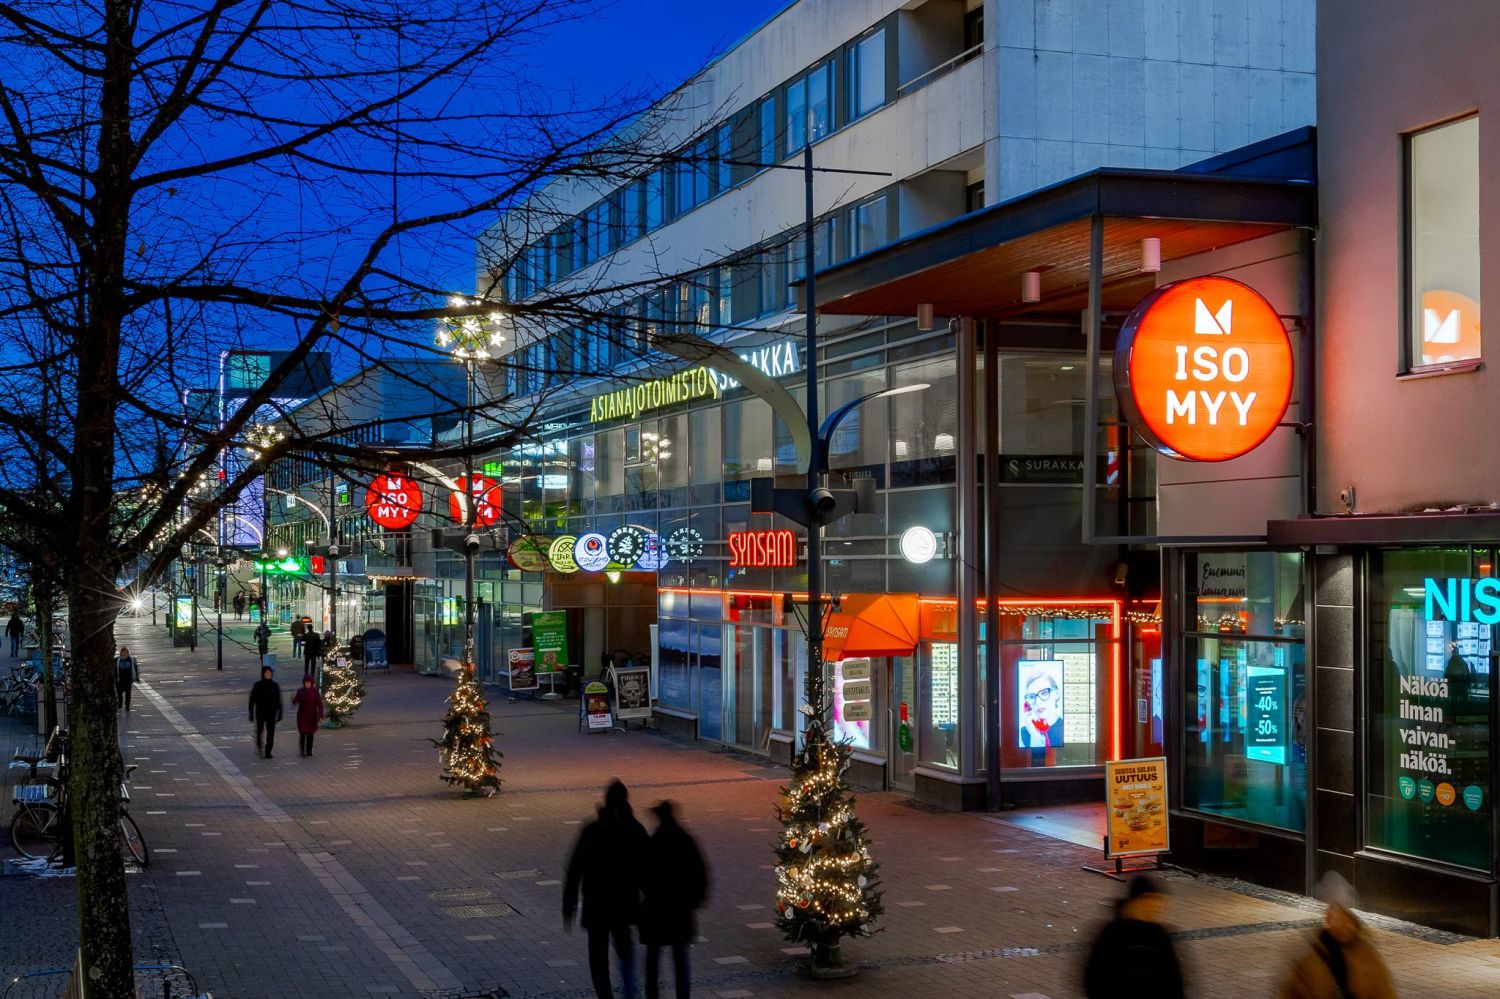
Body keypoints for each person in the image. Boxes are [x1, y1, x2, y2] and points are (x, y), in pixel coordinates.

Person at [564, 780, 650, 999]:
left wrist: (569, 904)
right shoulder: (634, 829)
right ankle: (630, 990)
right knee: (625, 948)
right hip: (623, 903)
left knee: (598, 956)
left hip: (597, 905)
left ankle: (605, 996)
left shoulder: (592, 830)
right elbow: (649, 869)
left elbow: (575, 869)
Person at [1279, 872, 1396, 999]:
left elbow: (1383, 990)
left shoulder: (1365, 954)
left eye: (1339, 911)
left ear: (1349, 916)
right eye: (1332, 909)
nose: (1334, 916)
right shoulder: (1312, 959)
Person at [641, 800, 708, 999]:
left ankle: (652, 994)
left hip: (657, 909)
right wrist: (695, 900)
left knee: (653, 958)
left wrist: (647, 897)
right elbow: (700, 873)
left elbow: (643, 875)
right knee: (680, 958)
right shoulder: (686, 840)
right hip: (681, 910)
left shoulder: (655, 842)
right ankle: (683, 995)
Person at [1082, 875, 1184, 999]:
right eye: (1153, 899)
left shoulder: (1159, 934)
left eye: (1159, 900)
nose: (1159, 906)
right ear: (1138, 900)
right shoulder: (1113, 934)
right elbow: (1094, 978)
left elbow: (1174, 981)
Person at [248, 666, 283, 759]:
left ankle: (268, 751)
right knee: (259, 731)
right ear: (263, 674)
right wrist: (251, 713)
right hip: (260, 713)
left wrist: (280, 712)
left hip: (271, 713)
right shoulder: (257, 685)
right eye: (266, 673)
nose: (268, 674)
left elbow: (279, 700)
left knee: (271, 733)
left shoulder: (274, 685)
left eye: (269, 673)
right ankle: (259, 745)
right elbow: (252, 701)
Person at [292, 674, 325, 757]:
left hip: (312, 716)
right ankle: (302, 750)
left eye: (308, 682)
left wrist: (320, 715)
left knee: (310, 733)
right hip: (302, 716)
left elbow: (320, 704)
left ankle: (309, 750)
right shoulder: (300, 691)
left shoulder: (315, 692)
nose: (307, 684)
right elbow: (296, 700)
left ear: (311, 683)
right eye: (306, 682)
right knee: (303, 733)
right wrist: (294, 699)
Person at [114, 645, 139, 711]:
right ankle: (120, 702)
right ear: (120, 653)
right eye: (123, 652)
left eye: (126, 653)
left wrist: (136, 678)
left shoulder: (131, 660)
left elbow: (135, 669)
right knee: (119, 694)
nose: (124, 654)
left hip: (128, 680)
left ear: (128, 653)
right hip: (119, 681)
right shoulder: (116, 660)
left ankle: (127, 706)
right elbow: (114, 670)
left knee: (128, 694)